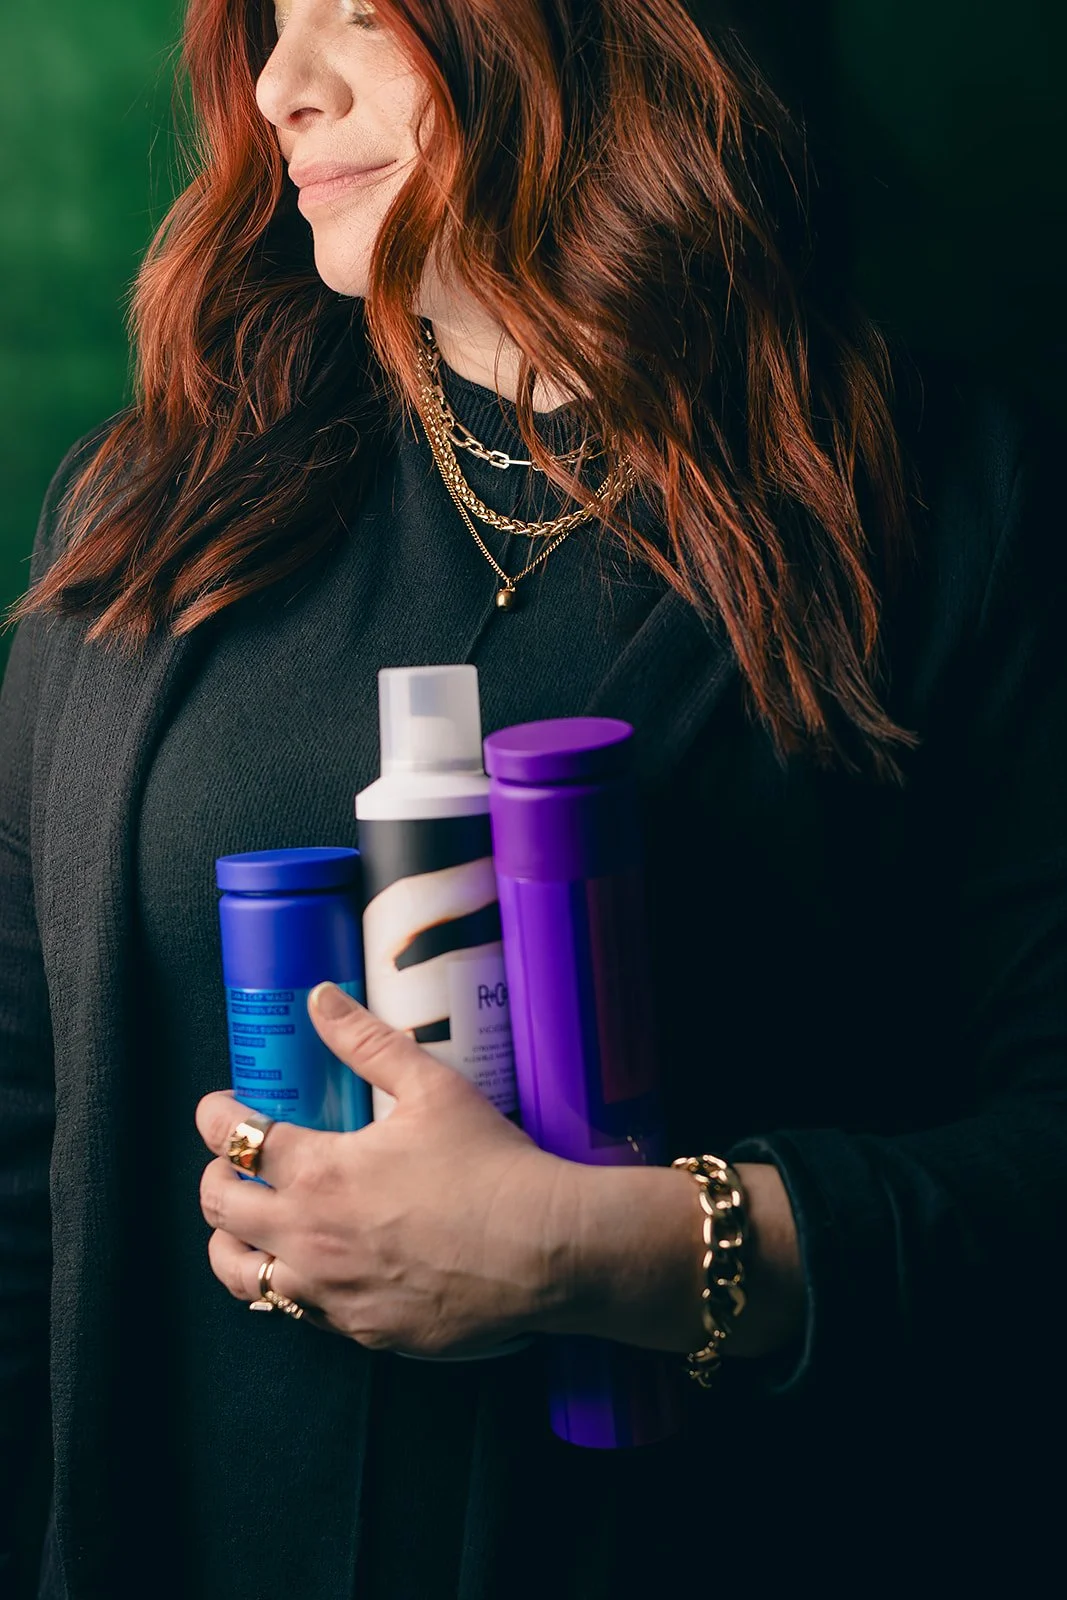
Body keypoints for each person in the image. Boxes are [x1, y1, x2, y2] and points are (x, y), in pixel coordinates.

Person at [2, 0, 1064, 1595]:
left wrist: (593, 1253)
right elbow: (21, 1145)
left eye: (360, 12)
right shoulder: (147, 514)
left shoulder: (956, 507)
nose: (281, 87)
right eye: (271, 20)